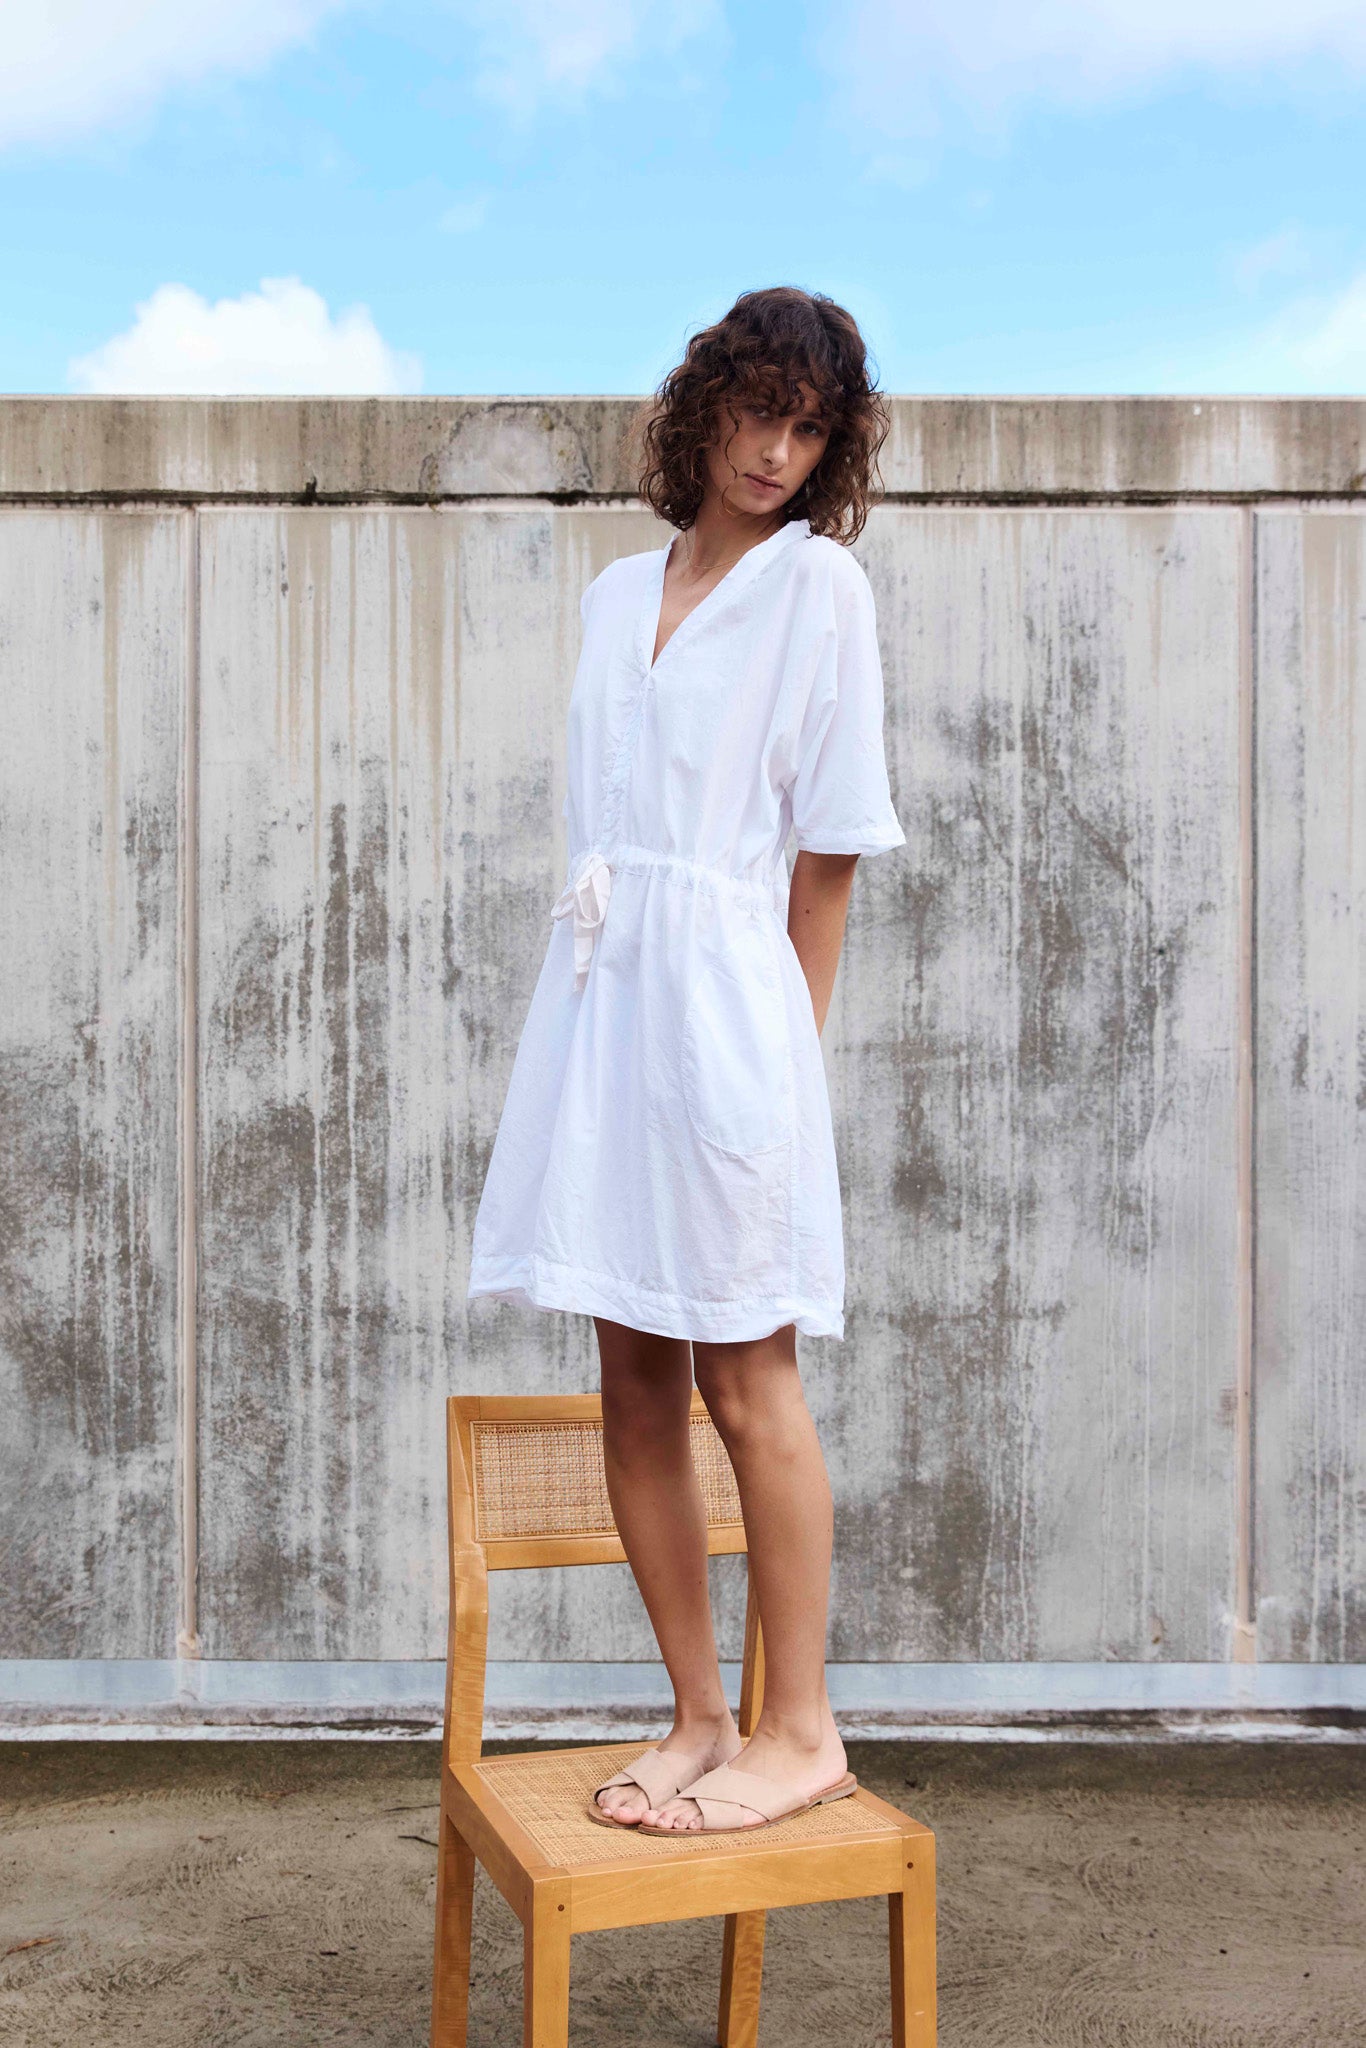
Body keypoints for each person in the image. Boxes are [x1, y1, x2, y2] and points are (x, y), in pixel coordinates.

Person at [467, 285, 905, 1834]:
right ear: (705, 406)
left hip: (729, 1014)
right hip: (604, 1008)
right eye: (760, 412)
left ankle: (802, 1729)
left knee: (747, 1373)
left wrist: (782, 1073)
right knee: (633, 1379)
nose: (779, 451)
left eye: (810, 429)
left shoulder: (817, 592)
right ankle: (699, 1716)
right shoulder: (612, 595)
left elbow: (827, 861)